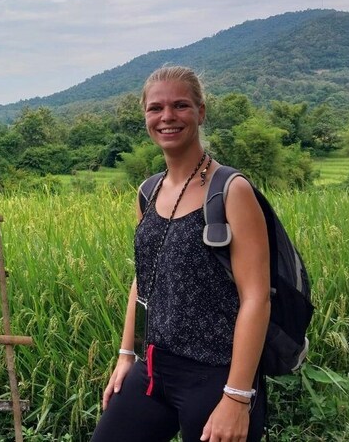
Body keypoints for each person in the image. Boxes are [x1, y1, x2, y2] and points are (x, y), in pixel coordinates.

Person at [90, 66, 271, 442]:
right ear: (145, 117)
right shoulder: (149, 191)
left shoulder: (231, 191)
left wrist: (237, 398)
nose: (167, 117)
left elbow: (256, 297)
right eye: (155, 108)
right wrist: (127, 355)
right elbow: (144, 279)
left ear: (201, 112)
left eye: (180, 105)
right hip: (154, 366)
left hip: (217, 374)